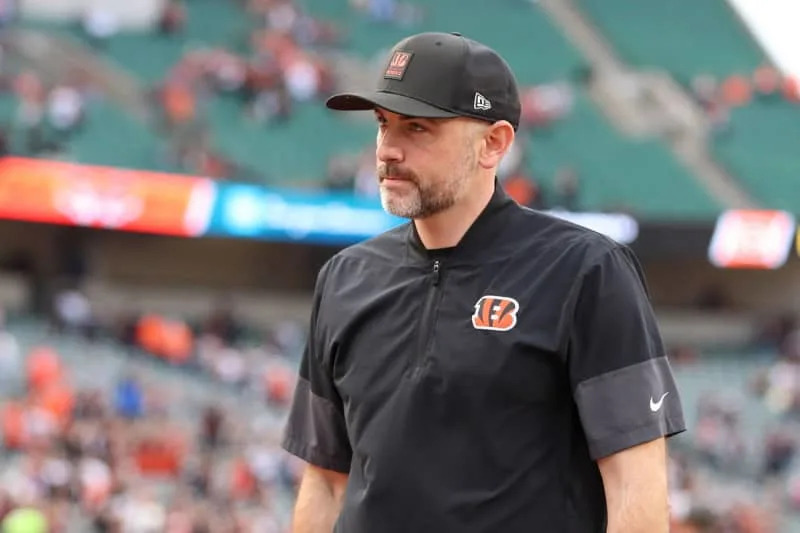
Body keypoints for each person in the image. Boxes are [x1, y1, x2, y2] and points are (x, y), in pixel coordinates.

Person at [281, 31, 685, 533]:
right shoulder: (345, 277)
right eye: (383, 126)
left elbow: (636, 487)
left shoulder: (587, 271)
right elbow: (325, 480)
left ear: (494, 143)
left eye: (418, 129)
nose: (387, 150)